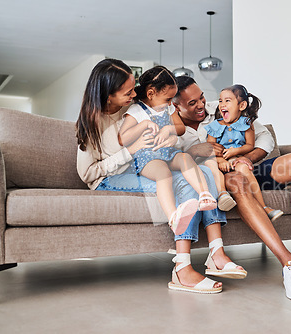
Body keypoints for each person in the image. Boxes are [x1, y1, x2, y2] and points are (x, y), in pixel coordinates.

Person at [76, 59, 246, 295]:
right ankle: (182, 268)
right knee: (180, 183)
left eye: (134, 87)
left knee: (204, 171)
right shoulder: (91, 123)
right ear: (108, 95)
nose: (134, 94)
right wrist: (129, 153)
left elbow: (168, 129)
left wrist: (170, 137)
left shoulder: (132, 107)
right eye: (128, 91)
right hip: (111, 176)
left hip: (144, 164)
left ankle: (216, 252)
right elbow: (88, 174)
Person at [172, 76, 291, 300]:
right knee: (236, 180)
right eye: (192, 103)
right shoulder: (171, 130)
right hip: (224, 175)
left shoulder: (220, 107)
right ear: (176, 106)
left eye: (202, 97)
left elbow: (264, 137)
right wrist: (198, 152)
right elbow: (177, 165)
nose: (202, 105)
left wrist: (246, 158)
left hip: (249, 166)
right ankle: (289, 264)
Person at [119, 66, 217, 235]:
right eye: (168, 98)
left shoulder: (169, 108)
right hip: (147, 157)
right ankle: (173, 217)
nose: (171, 103)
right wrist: (143, 125)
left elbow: (180, 128)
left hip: (167, 151)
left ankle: (204, 195)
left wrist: (168, 130)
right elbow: (123, 138)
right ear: (151, 94)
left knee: (186, 158)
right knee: (164, 174)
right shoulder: (136, 111)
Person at [204, 84, 283, 221]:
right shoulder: (214, 126)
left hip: (236, 159)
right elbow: (209, 149)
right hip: (219, 161)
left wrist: (236, 151)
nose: (222, 104)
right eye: (220, 100)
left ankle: (264, 208)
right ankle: (223, 194)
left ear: (241, 106)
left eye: (227, 101)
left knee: (244, 168)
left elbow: (249, 145)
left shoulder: (247, 124)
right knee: (209, 162)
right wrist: (221, 160)